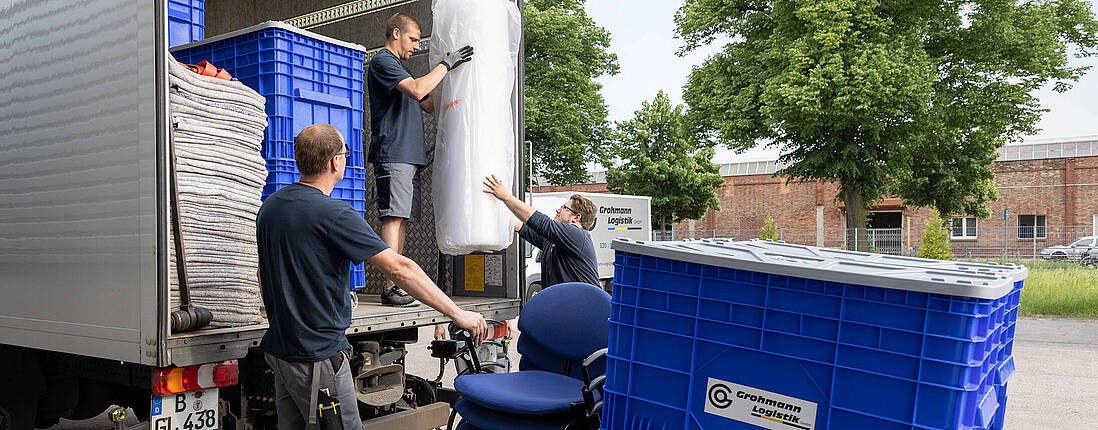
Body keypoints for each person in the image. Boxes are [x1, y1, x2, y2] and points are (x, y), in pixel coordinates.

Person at [257, 124, 487, 430]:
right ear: (334, 163)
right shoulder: (334, 214)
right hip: (318, 358)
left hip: (282, 351)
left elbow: (263, 272)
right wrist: (457, 313)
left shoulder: (270, 207)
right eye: (344, 154)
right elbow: (398, 268)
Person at [367, 12, 474, 306]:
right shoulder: (383, 62)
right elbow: (418, 90)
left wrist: (459, 83)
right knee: (393, 217)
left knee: (401, 221)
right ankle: (391, 284)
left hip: (408, 157)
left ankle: (396, 281)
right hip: (394, 153)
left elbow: (427, 103)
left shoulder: (401, 70)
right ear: (396, 33)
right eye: (414, 39)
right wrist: (446, 63)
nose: (416, 45)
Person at [475, 175, 600, 339]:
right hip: (565, 315)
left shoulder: (578, 235)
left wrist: (506, 196)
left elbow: (541, 222)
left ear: (576, 218)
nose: (558, 210)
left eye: (564, 208)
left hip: (583, 317)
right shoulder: (555, 241)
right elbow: (522, 226)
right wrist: (489, 205)